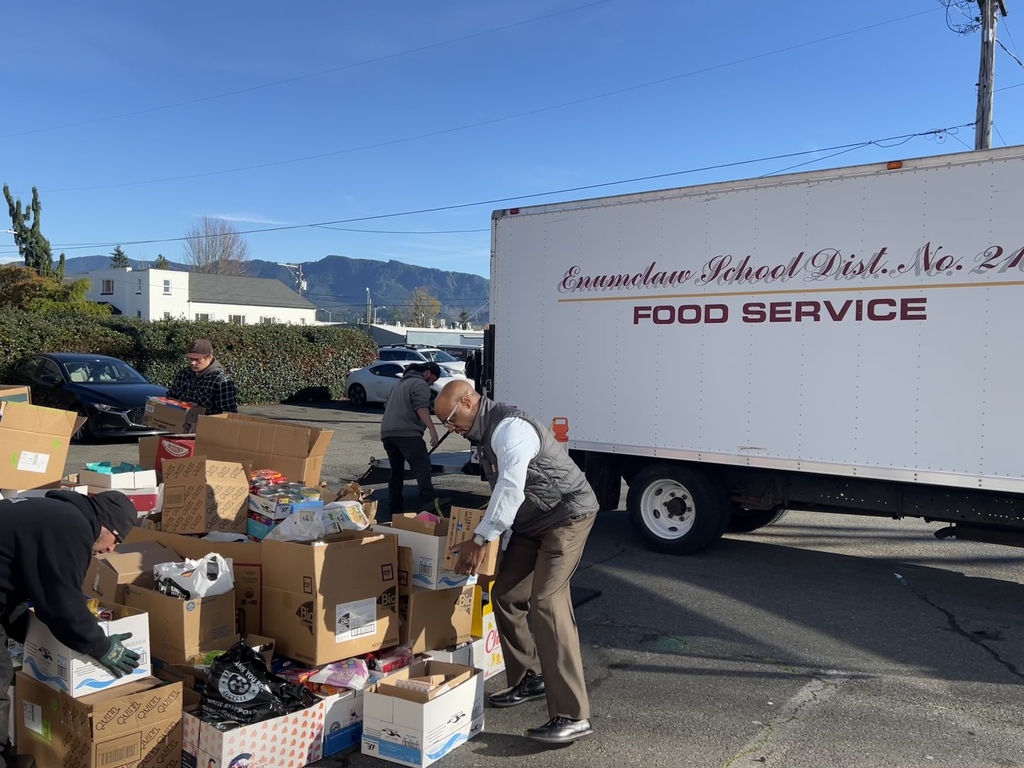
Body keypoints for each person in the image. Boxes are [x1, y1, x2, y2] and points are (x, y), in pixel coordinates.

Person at [438, 379, 599, 746]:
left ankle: (573, 715)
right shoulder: (483, 433)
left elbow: (510, 485)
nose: (450, 428)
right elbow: (507, 495)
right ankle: (528, 678)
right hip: (530, 521)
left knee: (547, 603)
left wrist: (481, 539)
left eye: (450, 418)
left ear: (468, 401)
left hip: (566, 515)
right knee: (507, 594)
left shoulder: (510, 428)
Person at [0, 490, 143, 766]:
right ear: (105, 526)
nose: (112, 549)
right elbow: (63, 605)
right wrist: (102, 647)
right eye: (117, 539)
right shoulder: (72, 528)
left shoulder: (55, 512)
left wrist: (30, 632)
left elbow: (22, 577)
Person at [379, 362, 441, 516]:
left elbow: (386, 405)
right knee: (422, 465)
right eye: (432, 380)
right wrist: (433, 430)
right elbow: (420, 407)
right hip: (407, 432)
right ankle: (428, 503)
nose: (431, 384)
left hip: (387, 433)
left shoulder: (399, 384)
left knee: (396, 471)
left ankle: (395, 509)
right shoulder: (420, 384)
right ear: (427, 373)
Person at [166, 339, 239, 422]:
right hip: (181, 427)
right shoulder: (183, 374)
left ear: (210, 357)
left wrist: (202, 417)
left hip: (208, 431)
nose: (192, 363)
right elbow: (170, 398)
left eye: (197, 359)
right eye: (191, 358)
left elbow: (229, 415)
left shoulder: (221, 381)